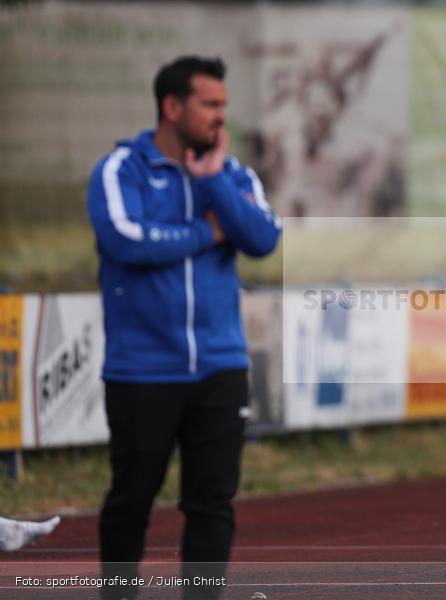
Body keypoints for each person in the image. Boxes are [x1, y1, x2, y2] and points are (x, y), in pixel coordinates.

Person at [87, 56, 282, 599]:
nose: (222, 116)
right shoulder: (120, 169)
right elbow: (127, 240)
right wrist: (206, 233)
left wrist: (214, 182)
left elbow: (263, 239)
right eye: (210, 104)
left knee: (212, 503)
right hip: (142, 368)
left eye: (224, 103)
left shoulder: (234, 174)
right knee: (132, 498)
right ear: (172, 107)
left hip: (220, 366)